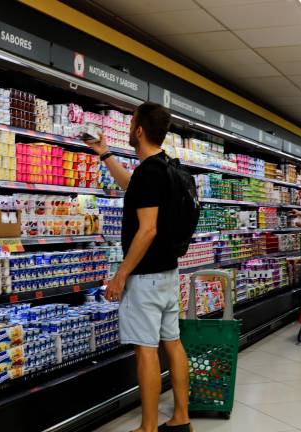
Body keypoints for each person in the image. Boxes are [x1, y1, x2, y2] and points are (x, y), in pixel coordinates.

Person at [86, 102, 190, 432]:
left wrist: (120, 275)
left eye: (132, 123)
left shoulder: (149, 171)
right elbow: (132, 187)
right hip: (169, 274)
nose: (130, 129)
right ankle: (181, 418)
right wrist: (104, 154)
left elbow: (147, 229)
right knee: (172, 343)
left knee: (145, 351)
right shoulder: (168, 167)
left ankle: (148, 427)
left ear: (139, 130)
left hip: (145, 279)